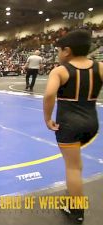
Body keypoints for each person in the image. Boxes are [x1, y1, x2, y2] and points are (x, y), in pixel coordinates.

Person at [43, 30, 103, 223]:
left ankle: (76, 212)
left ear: (67, 51)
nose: (58, 55)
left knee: (73, 168)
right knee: (76, 165)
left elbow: (49, 95)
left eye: (59, 51)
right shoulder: (100, 67)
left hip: (69, 125)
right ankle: (73, 193)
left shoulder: (60, 71)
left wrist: (47, 118)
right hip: (92, 123)